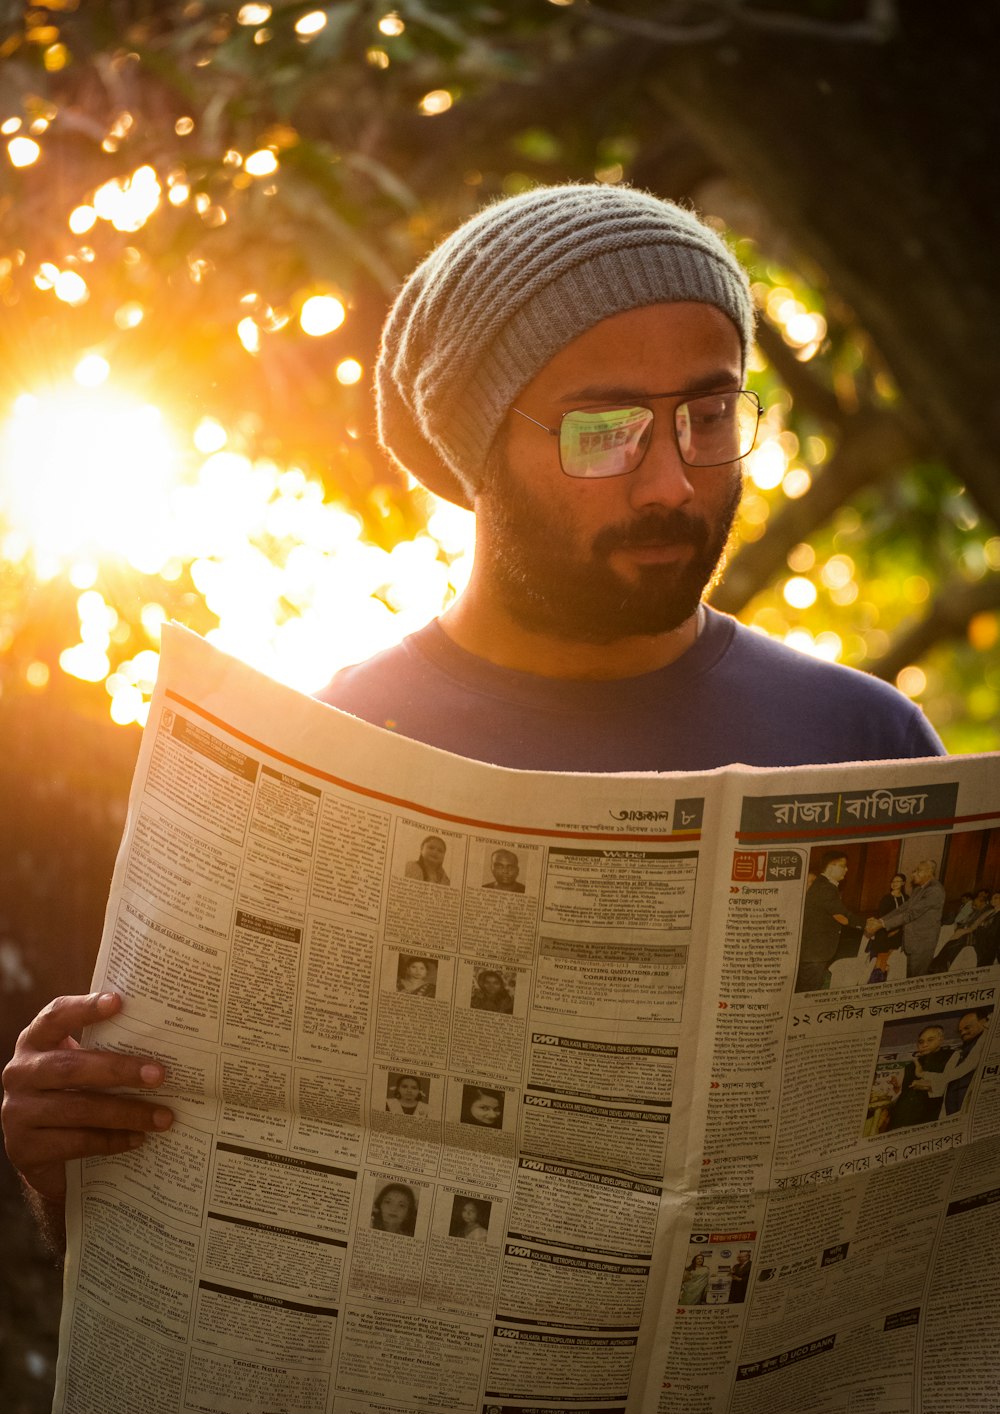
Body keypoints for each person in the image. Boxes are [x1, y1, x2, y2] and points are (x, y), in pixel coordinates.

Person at [2, 181, 946, 1249]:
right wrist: (68, 1164)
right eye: (607, 432)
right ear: (481, 445)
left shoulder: (865, 745)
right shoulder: (313, 763)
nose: (672, 485)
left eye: (710, 416)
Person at [865, 859, 945, 978]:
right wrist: (880, 920)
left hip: (922, 943)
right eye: (914, 871)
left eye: (918, 871)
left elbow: (911, 914)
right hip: (912, 941)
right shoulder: (918, 889)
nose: (913, 874)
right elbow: (902, 909)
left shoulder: (935, 890)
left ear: (930, 872)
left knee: (916, 979)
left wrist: (882, 925)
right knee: (908, 975)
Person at [795, 851, 860, 992]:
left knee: (808, 989)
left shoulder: (824, 885)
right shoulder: (826, 887)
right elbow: (841, 916)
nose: (846, 869)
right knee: (809, 992)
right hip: (815, 953)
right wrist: (867, 923)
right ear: (831, 866)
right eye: (843, 866)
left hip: (815, 952)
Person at [884, 1025, 951, 1131]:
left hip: (925, 1119)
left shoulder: (950, 1057)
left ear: (940, 1039)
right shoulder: (910, 1066)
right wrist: (896, 1087)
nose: (924, 1045)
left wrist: (929, 1086)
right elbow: (902, 1092)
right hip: (899, 1119)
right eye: (921, 1042)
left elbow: (950, 1085)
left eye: (930, 1040)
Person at [927, 890, 994, 973]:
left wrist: (960, 931)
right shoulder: (978, 911)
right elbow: (967, 922)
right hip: (965, 929)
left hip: (972, 934)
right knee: (947, 937)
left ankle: (940, 965)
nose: (973, 907)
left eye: (975, 905)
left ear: (982, 903)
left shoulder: (986, 911)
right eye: (973, 905)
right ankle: (937, 961)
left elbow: (973, 927)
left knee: (951, 943)